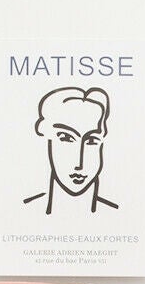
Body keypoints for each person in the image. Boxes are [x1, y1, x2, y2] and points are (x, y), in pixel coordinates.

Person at [23, 86, 119, 214]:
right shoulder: (25, 210)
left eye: (91, 141)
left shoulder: (118, 214)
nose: (79, 164)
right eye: (66, 138)